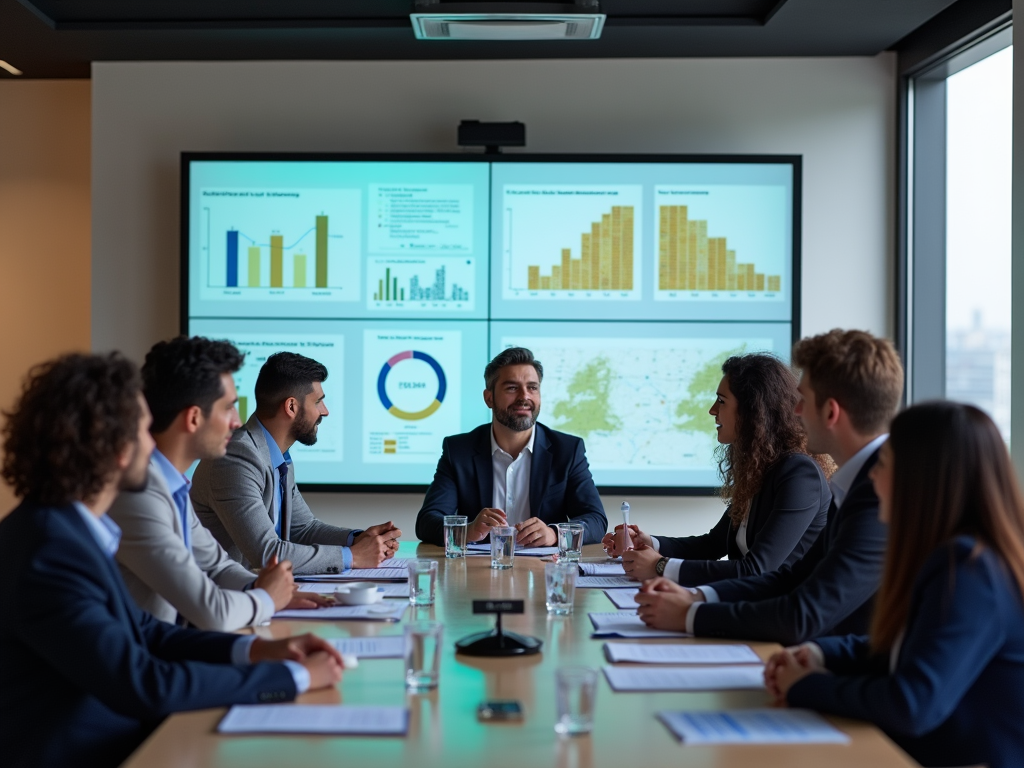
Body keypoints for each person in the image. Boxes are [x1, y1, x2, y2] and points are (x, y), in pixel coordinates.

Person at [0, 353, 344, 768]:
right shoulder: (50, 550)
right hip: (91, 750)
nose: (153, 440)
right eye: (143, 428)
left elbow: (148, 633)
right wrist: (295, 677)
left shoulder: (66, 530)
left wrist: (261, 652)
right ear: (114, 446)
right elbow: (144, 682)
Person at [765, 403, 1024, 768]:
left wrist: (804, 685)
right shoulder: (960, 555)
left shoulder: (970, 569)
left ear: (921, 478)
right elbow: (910, 648)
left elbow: (910, 704)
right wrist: (822, 655)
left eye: (883, 464)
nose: (872, 478)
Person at [635, 329, 902, 645]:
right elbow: (791, 580)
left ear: (830, 412)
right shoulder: (855, 484)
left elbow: (803, 613)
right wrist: (698, 599)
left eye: (803, 400)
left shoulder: (879, 496)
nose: (796, 410)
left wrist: (688, 613)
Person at [108, 337, 331, 631]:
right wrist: (267, 598)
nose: (237, 422)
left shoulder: (168, 486)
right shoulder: (138, 496)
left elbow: (216, 567)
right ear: (194, 418)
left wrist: (272, 591)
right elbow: (213, 612)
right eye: (228, 408)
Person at [604, 353, 831, 584]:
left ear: (753, 411)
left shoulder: (800, 474)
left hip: (779, 613)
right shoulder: (759, 468)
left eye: (721, 401)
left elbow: (757, 570)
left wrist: (660, 566)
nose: (713, 410)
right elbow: (711, 545)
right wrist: (649, 543)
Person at [192, 351, 401, 575]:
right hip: (222, 601)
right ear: (291, 407)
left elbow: (303, 529)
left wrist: (358, 539)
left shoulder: (277, 456)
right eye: (318, 401)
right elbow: (267, 553)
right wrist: (353, 557)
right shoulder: (235, 458)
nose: (325, 411)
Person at [415, 347, 607, 547]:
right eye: (512, 388)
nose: (524, 397)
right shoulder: (458, 451)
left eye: (532, 387)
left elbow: (596, 520)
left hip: (543, 571)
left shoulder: (568, 450)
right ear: (489, 398)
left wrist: (555, 534)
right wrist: (468, 531)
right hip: (480, 571)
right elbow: (427, 521)